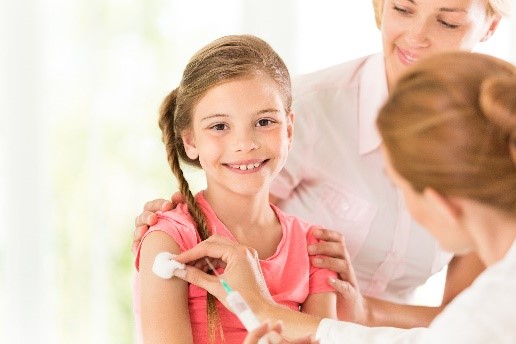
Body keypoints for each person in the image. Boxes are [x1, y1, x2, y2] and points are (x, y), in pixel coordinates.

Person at [133, 0, 512, 328]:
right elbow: (228, 206)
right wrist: (171, 226)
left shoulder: (490, 131)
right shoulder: (312, 109)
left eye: (447, 21)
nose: (417, 35)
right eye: (402, 8)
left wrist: (368, 314)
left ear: (491, 25)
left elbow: (468, 318)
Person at [133, 34, 338, 344]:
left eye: (265, 121)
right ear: (190, 141)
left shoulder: (313, 246)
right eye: (219, 126)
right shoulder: (170, 241)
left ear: (290, 129)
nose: (245, 144)